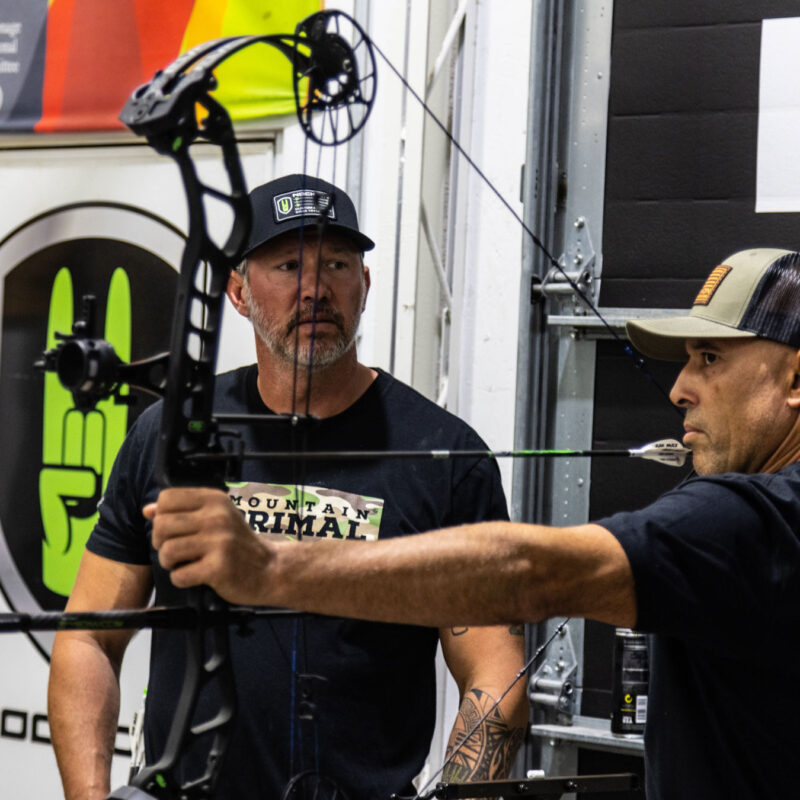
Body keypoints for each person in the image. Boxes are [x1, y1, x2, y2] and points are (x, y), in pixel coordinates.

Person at [145, 247, 800, 799]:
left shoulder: (758, 519)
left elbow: (534, 572)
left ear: (794, 379)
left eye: (710, 358)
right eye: (687, 358)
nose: (680, 387)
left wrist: (270, 568)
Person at [47, 174, 527, 800]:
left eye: (336, 263)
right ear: (239, 292)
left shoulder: (448, 456)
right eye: (287, 265)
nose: (315, 289)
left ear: (366, 284)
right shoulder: (173, 435)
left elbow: (496, 672)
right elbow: (88, 636)